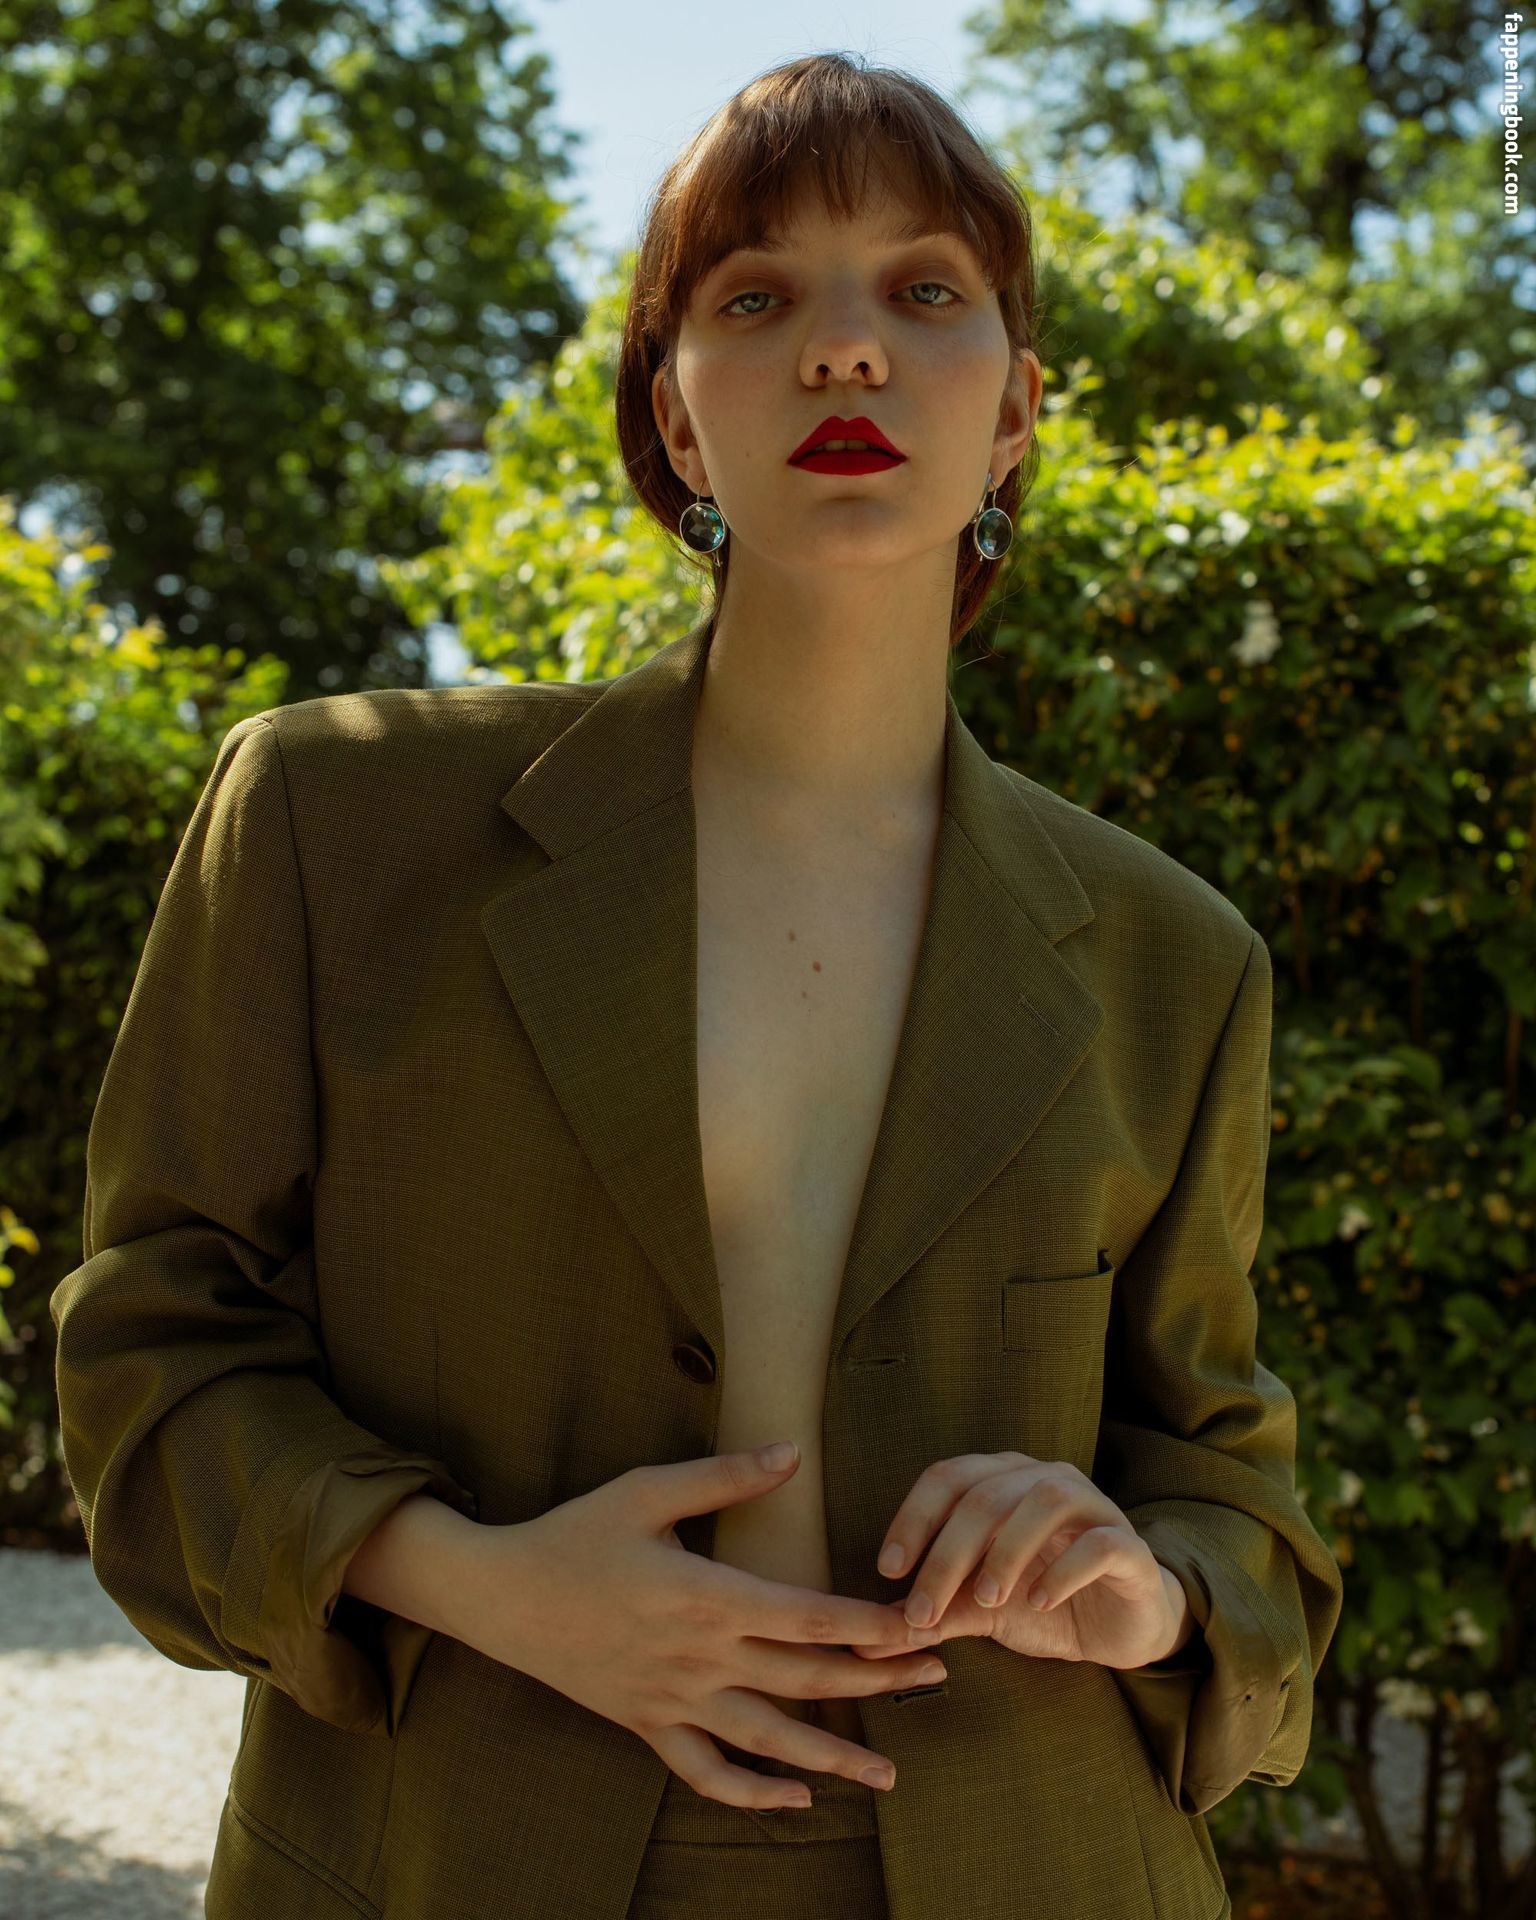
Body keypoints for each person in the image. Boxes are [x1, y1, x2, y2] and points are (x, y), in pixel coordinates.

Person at [51, 50, 1343, 1920]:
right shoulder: (336, 822)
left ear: (1014, 413)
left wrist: (1141, 1586)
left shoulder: (1176, 960)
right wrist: (478, 1579)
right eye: (756, 297)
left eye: (926, 291)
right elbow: (146, 1357)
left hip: (1039, 1855)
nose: (847, 347)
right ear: (673, 411)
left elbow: (1244, 1519)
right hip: (454, 1850)